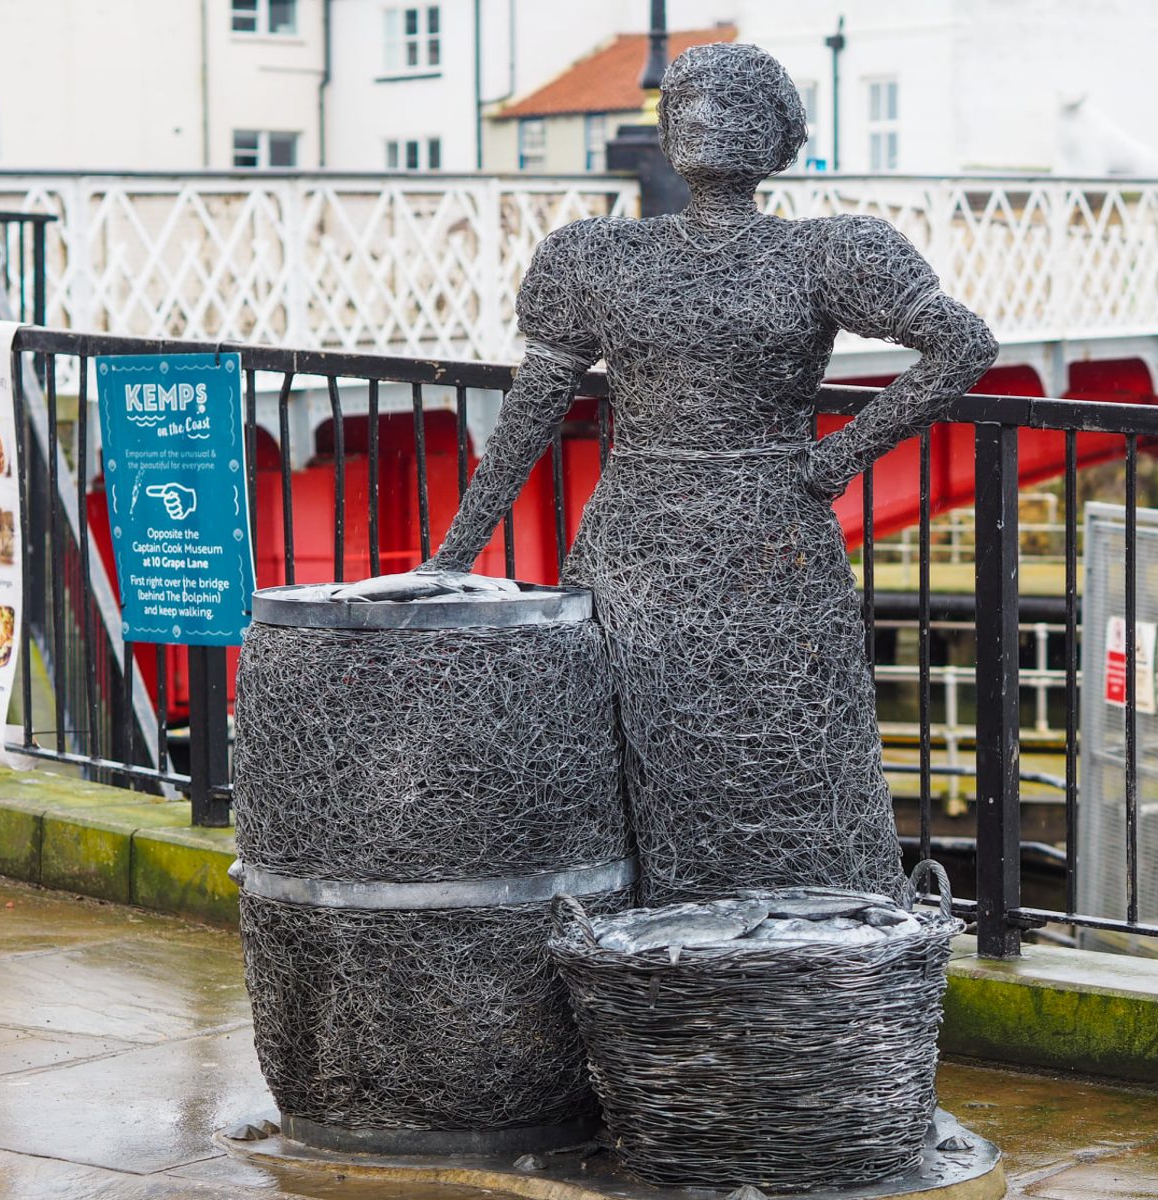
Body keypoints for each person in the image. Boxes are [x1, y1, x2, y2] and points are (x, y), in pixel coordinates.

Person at [416, 43, 998, 903]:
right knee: (633, 743)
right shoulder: (597, 256)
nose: (704, 117)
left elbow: (964, 344)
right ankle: (651, 957)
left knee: (785, 748)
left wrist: (839, 456)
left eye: (734, 103)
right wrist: (452, 556)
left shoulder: (828, 253)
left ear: (777, 137)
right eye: (686, 101)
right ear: (665, 131)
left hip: (767, 549)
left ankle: (803, 953)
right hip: (637, 550)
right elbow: (533, 408)